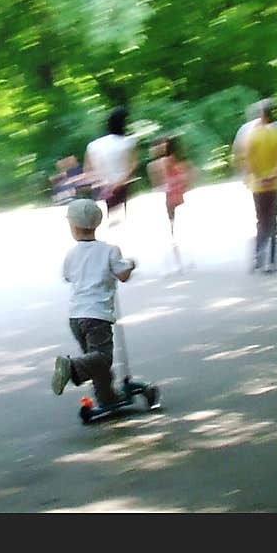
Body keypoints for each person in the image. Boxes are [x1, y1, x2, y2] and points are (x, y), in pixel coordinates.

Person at [51, 198, 136, 406]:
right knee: (102, 359)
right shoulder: (109, 250)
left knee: (95, 361)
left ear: (73, 227)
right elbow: (122, 275)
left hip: (76, 316)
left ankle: (106, 397)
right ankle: (72, 367)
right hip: (97, 316)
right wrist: (130, 265)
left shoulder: (71, 254)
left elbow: (68, 277)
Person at [244, 99, 277, 273]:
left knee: (261, 221)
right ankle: (272, 262)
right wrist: (275, 175)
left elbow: (248, 158)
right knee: (272, 221)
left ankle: (258, 257)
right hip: (273, 185)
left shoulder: (253, 134)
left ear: (262, 114)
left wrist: (257, 176)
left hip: (258, 185)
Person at [147, 136, 194, 272]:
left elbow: (185, 176)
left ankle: (179, 259)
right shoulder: (162, 163)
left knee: (176, 228)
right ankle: (176, 260)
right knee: (173, 228)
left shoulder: (172, 161)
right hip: (170, 196)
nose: (161, 147)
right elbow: (158, 182)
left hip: (175, 195)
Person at [84, 107, 138, 225]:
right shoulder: (129, 143)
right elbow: (133, 164)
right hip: (122, 187)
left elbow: (88, 170)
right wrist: (119, 183)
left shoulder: (93, 146)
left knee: (107, 221)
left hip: (101, 189)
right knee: (121, 220)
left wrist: (102, 183)